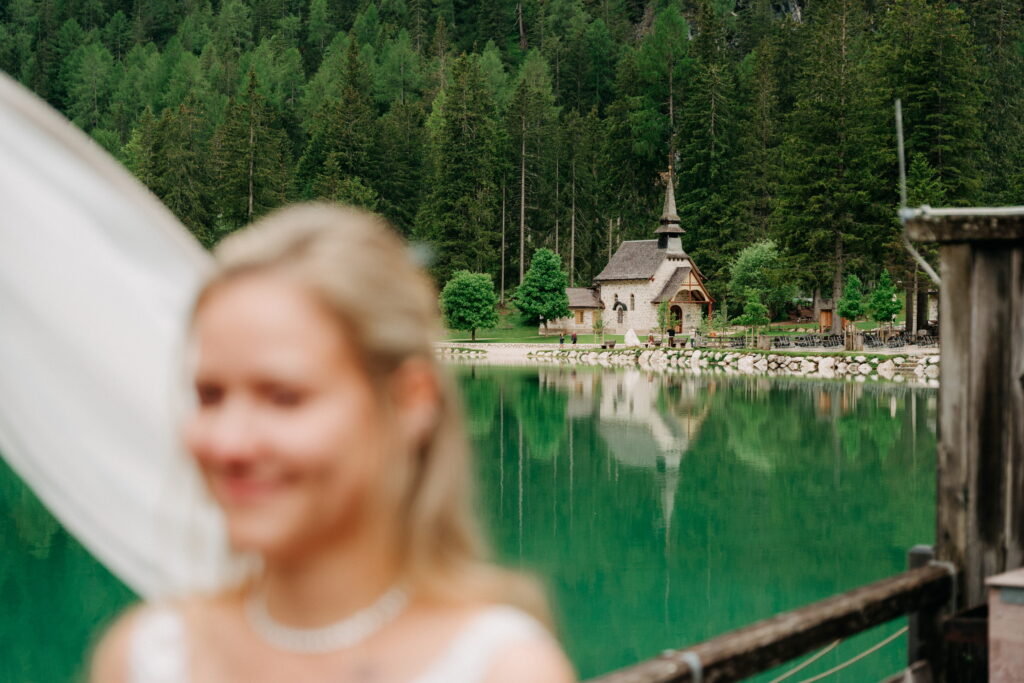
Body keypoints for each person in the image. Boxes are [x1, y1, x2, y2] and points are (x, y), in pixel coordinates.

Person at [91, 204, 575, 683]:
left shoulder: (504, 669)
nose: (227, 443)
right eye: (209, 396)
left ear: (409, 402)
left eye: (284, 397)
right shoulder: (145, 657)